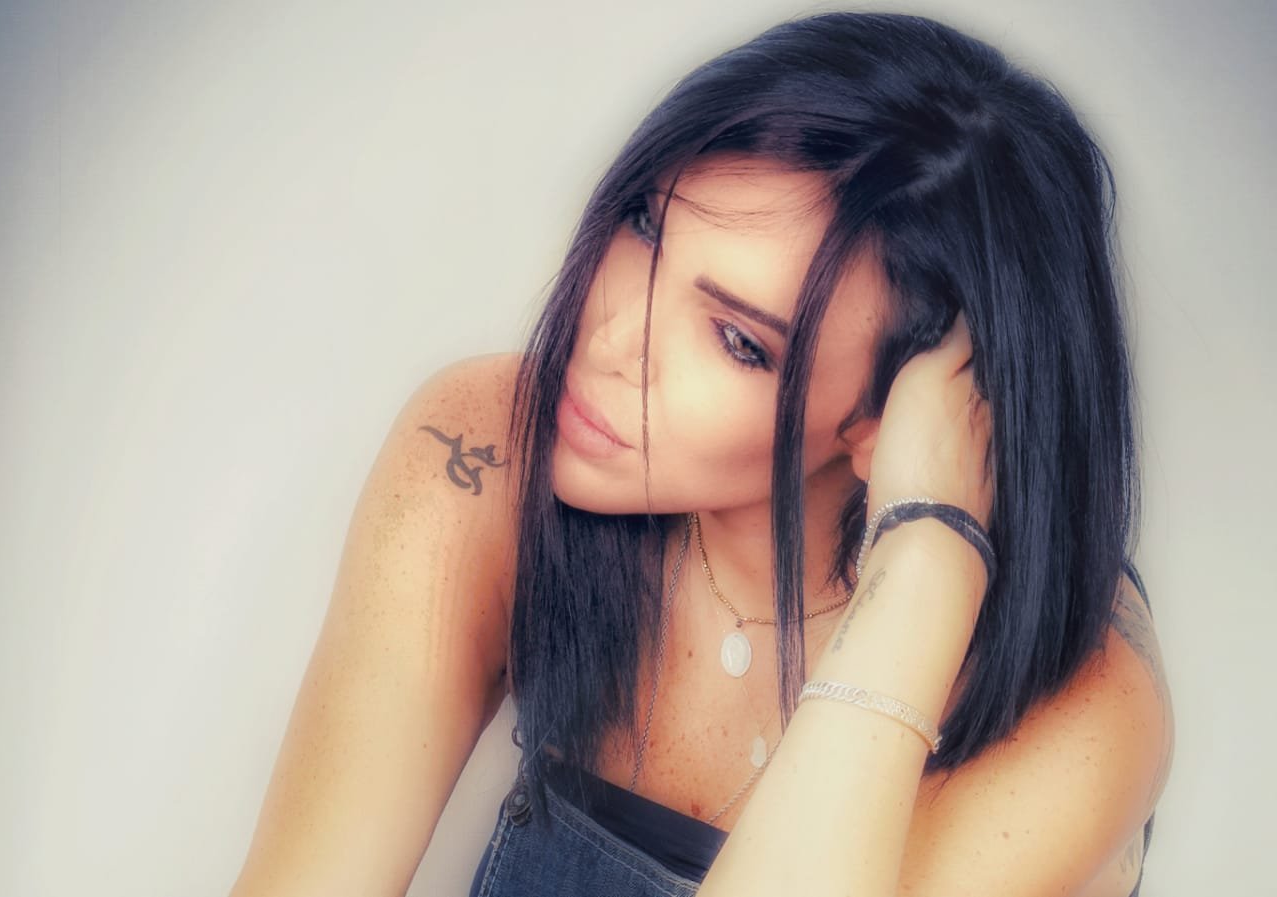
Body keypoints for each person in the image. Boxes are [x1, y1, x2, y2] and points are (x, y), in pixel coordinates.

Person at [228, 11, 1172, 897]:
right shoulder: (484, 453)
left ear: (889, 421)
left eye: (736, 339)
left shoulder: (1081, 705)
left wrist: (928, 562)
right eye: (646, 226)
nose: (610, 339)